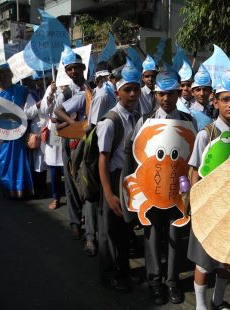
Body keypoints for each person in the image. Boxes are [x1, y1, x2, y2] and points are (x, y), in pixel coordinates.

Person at [132, 68, 196, 305]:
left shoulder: (189, 121)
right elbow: (137, 159)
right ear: (155, 94)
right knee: (151, 234)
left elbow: (192, 158)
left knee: (174, 235)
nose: (166, 99)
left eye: (171, 93)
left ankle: (171, 281)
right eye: (161, 94)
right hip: (152, 188)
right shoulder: (144, 121)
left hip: (178, 190)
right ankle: (154, 281)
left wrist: (187, 189)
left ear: (179, 93)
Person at [188, 57, 230, 310]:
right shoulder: (206, 134)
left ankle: (217, 300)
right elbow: (193, 171)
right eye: (225, 99)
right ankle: (201, 306)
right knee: (203, 262)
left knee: (225, 262)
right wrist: (196, 205)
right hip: (208, 208)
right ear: (216, 102)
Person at [97, 58, 142, 293]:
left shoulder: (136, 117)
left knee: (125, 229)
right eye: (128, 90)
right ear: (118, 92)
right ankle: (110, 273)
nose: (133, 94)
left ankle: (124, 270)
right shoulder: (110, 121)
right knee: (110, 230)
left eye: (136, 89)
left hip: (128, 180)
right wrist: (109, 194)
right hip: (112, 180)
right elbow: (102, 160)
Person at [54, 45, 91, 241]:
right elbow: (56, 121)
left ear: (83, 68)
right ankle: (75, 222)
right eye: (69, 68)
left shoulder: (91, 88)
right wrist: (73, 124)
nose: (74, 71)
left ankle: (89, 218)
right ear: (66, 72)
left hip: (89, 142)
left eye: (77, 67)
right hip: (70, 144)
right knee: (70, 181)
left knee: (88, 180)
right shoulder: (65, 94)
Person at [0, 64, 34, 198]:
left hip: (18, 131)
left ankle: (21, 188)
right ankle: (8, 189)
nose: (5, 75)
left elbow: (30, 109)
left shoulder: (21, 90)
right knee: (3, 160)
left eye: (7, 72)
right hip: (0, 133)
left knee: (19, 159)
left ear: (12, 74)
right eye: (2, 73)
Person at [23, 75, 47, 198]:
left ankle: (45, 186)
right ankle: (39, 188)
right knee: (39, 161)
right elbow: (27, 114)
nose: (37, 82)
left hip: (48, 128)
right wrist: (37, 106)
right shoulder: (29, 95)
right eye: (34, 80)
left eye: (39, 80)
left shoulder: (46, 90)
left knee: (47, 159)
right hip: (37, 131)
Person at [41, 80, 63, 210]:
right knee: (54, 167)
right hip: (54, 130)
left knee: (70, 168)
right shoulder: (52, 87)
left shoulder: (76, 85)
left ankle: (77, 202)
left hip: (70, 127)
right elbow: (44, 110)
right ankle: (56, 197)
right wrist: (50, 94)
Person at [189, 64, 214, 131]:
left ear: (210, 91)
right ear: (192, 92)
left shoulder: (213, 111)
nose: (202, 94)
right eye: (198, 90)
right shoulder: (190, 114)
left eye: (205, 89)